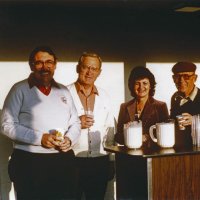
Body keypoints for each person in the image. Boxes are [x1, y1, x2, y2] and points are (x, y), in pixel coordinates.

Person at [1, 46, 81, 200]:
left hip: (62, 161)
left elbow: (75, 122)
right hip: (30, 162)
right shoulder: (19, 89)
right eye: (39, 63)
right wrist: (39, 138)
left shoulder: (64, 91)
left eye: (49, 62)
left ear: (55, 64)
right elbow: (6, 124)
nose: (45, 67)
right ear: (31, 65)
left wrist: (69, 139)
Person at [67, 52, 115, 200]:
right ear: (78, 68)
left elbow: (110, 130)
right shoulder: (63, 93)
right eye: (86, 67)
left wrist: (111, 160)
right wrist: (75, 123)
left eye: (94, 69)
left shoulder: (105, 96)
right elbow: (53, 125)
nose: (89, 72)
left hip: (99, 161)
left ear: (99, 72)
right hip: (71, 160)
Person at [115, 66, 169, 147]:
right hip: (129, 157)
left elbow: (165, 135)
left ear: (150, 85)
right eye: (137, 83)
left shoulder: (160, 106)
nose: (141, 87)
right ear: (132, 86)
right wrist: (127, 132)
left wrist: (147, 137)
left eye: (145, 83)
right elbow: (118, 137)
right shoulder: (124, 107)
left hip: (152, 155)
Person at [170, 61, 200, 148]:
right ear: (173, 78)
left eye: (186, 76)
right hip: (180, 152)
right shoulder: (175, 98)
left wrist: (195, 121)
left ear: (195, 78)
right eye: (177, 77)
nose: (181, 81)